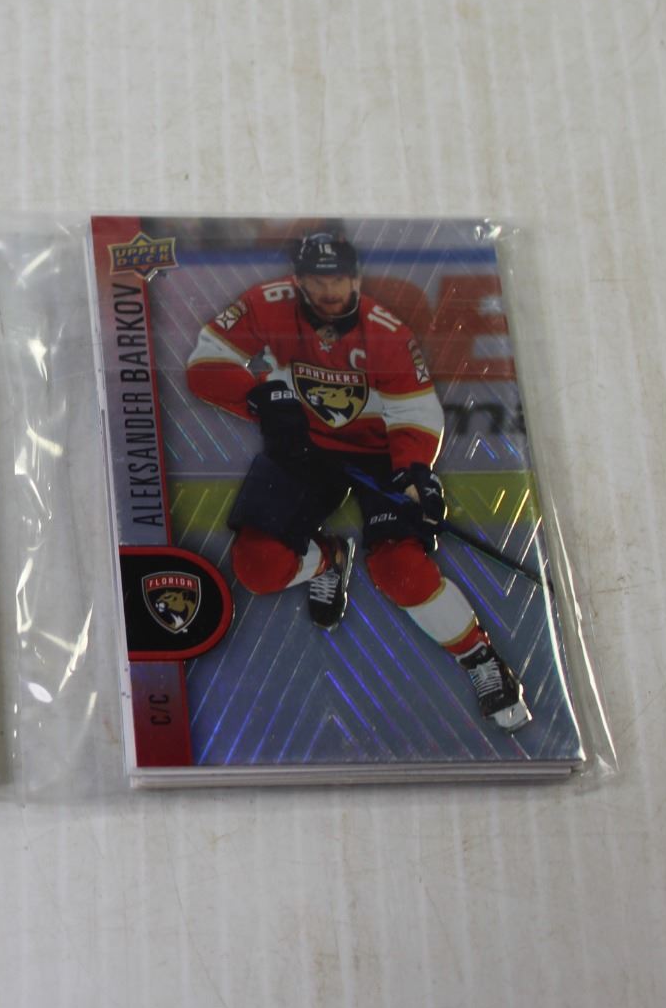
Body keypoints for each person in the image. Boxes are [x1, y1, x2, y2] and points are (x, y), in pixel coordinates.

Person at [185, 232, 530, 731]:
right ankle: (329, 558)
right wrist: (260, 397)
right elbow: (204, 364)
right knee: (258, 566)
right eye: (318, 280)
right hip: (304, 446)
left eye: (339, 279)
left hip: (379, 452)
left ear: (356, 279)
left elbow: (414, 414)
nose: (330, 290)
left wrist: (414, 474)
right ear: (299, 280)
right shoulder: (266, 303)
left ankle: (480, 658)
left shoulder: (387, 334)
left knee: (399, 568)